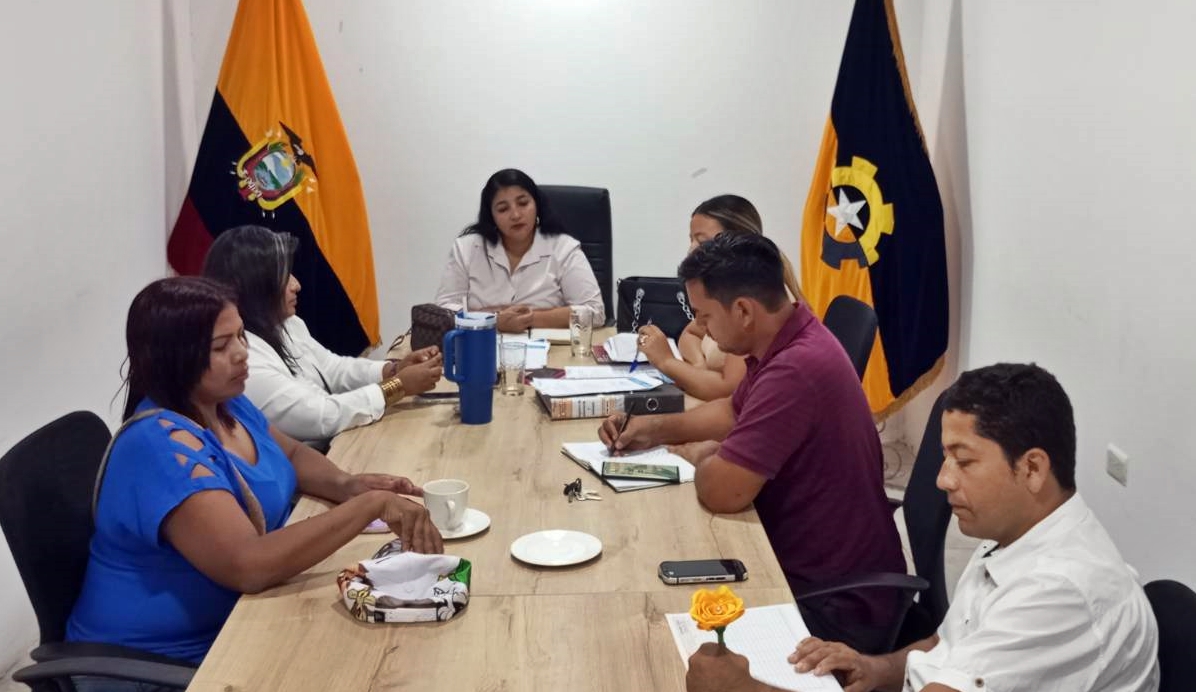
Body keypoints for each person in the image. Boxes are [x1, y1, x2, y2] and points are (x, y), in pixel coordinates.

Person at [685, 363, 1160, 692]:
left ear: (1032, 468)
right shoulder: (1015, 533)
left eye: (964, 461)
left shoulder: (1063, 590)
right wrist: (876, 668)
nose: (943, 479)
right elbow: (951, 645)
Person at [66, 277, 443, 692]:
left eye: (241, 335)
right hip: (152, 681)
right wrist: (369, 505)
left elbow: (290, 454)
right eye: (221, 346)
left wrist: (348, 485)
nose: (242, 353)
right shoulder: (161, 447)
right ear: (172, 356)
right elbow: (250, 565)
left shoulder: (225, 404)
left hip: (232, 633)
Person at [600, 232, 904, 646]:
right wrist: (650, 429)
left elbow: (722, 492)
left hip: (832, 605)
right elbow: (731, 410)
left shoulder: (794, 370)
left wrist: (707, 454)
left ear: (743, 310)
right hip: (816, 568)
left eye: (705, 316)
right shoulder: (790, 334)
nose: (701, 327)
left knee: (644, 626)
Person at [203, 225, 442, 449]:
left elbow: (333, 368)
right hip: (307, 466)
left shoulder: (286, 324)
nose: (296, 285)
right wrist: (397, 386)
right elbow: (319, 416)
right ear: (256, 285)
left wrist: (393, 369)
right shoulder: (246, 360)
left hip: (332, 446)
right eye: (284, 276)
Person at [637, 194, 805, 400]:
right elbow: (691, 332)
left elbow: (730, 391)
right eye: (691, 239)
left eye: (702, 241)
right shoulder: (725, 290)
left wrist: (666, 362)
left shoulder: (752, 299)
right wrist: (698, 366)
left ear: (734, 242)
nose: (691, 249)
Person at [434, 168, 604, 333]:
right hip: (482, 343)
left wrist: (530, 318)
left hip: (548, 346)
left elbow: (595, 313)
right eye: (503, 209)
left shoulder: (563, 248)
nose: (515, 215)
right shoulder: (467, 248)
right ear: (491, 216)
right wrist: (495, 321)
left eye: (523, 203)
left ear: (537, 205)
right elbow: (443, 313)